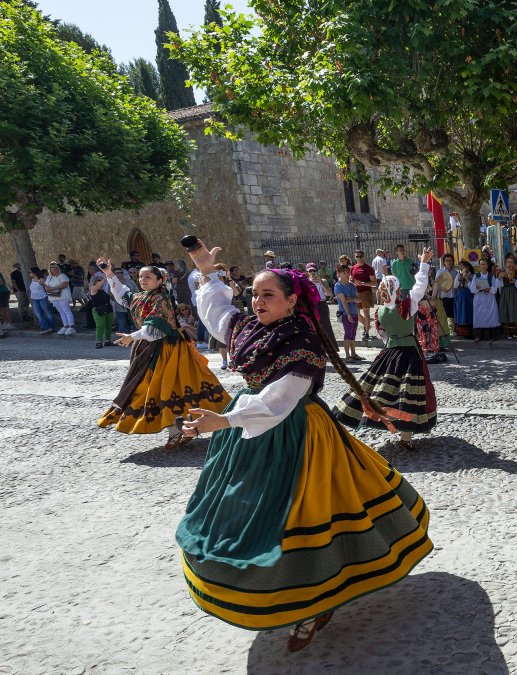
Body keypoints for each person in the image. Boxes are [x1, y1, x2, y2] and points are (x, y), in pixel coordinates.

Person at [177, 240, 432, 652]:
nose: (257, 301)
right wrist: (207, 274)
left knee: (300, 513)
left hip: (293, 432)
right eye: (255, 293)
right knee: (239, 510)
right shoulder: (250, 327)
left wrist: (224, 420)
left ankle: (314, 601)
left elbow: (280, 400)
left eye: (268, 295)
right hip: (247, 427)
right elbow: (218, 315)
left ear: (292, 301)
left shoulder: (303, 341)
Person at [94, 259, 230, 447]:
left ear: (159, 280)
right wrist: (109, 274)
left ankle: (205, 424)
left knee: (171, 388)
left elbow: (156, 328)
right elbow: (122, 294)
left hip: (171, 351)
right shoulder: (141, 297)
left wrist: (132, 337)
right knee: (154, 390)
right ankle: (180, 429)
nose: (143, 279)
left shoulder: (161, 299)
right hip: (149, 350)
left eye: (148, 277)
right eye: (140, 276)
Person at [336, 251, 439, 449]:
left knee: (380, 390)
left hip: (390, 353)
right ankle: (406, 438)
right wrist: (423, 264)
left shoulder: (380, 311)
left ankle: (357, 420)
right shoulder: (406, 306)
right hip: (409, 353)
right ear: (397, 290)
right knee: (409, 395)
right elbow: (419, 287)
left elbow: (382, 335)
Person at [332, 265, 362, 361]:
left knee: (353, 334)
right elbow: (344, 301)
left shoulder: (352, 285)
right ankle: (347, 356)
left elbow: (359, 299)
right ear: (339, 274)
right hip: (345, 313)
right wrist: (348, 313)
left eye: (347, 272)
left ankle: (353, 354)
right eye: (343, 273)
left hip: (354, 312)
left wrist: (352, 299)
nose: (346, 275)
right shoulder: (338, 286)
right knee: (348, 334)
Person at [305, 263, 336, 348]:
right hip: (312, 305)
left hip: (322, 304)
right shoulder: (306, 282)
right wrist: (310, 283)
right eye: (310, 271)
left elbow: (329, 293)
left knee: (326, 326)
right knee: (313, 327)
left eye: (314, 270)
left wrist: (321, 283)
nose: (312, 272)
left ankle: (330, 349)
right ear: (307, 272)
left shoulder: (323, 280)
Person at [350, 250, 377, 344]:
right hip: (356, 293)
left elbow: (374, 283)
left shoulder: (369, 268)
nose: (359, 258)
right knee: (356, 314)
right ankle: (367, 325)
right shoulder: (353, 268)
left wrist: (363, 283)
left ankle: (366, 332)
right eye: (357, 256)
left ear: (364, 256)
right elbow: (351, 280)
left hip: (366, 292)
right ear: (355, 257)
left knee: (366, 312)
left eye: (361, 256)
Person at [471, 262, 502, 341]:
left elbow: (495, 289)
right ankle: (478, 336)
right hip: (479, 299)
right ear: (479, 266)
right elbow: (472, 289)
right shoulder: (476, 276)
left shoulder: (492, 276)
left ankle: (491, 336)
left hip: (489, 299)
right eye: (481, 264)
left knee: (490, 315)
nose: (483, 266)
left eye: (485, 264)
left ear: (487, 266)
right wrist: (477, 288)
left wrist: (489, 289)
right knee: (479, 316)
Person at [45, 261, 75, 335]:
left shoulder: (62, 275)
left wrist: (52, 288)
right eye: (53, 269)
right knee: (61, 312)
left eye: (56, 268)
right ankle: (65, 326)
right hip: (54, 297)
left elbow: (64, 284)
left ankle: (71, 327)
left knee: (66, 310)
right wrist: (50, 288)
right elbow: (46, 287)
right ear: (50, 270)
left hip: (63, 296)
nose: (55, 270)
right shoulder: (49, 277)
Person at [498, 254, 517, 338]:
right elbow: (498, 284)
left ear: (514, 263)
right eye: (508, 262)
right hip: (505, 293)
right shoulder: (502, 272)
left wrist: (516, 280)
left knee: (515, 310)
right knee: (507, 311)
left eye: (512, 262)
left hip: (514, 292)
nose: (510, 264)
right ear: (505, 263)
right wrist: (499, 277)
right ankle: (508, 332)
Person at [433, 254, 457, 334]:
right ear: (444, 262)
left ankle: (452, 330)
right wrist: (443, 289)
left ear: (453, 262)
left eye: (450, 260)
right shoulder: (440, 271)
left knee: (452, 313)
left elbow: (457, 285)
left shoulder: (456, 272)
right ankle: (446, 331)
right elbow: (437, 283)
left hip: (453, 296)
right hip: (443, 296)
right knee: (444, 314)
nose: (448, 262)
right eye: (447, 260)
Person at [30, 269, 57, 334]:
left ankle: (52, 328)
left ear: (34, 272)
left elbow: (48, 287)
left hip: (43, 298)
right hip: (34, 299)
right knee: (38, 314)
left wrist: (42, 283)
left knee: (48, 313)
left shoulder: (42, 279)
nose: (29, 273)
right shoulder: (32, 280)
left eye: (30, 272)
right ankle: (45, 328)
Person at [453, 260, 475, 337]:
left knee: (468, 311)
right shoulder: (458, 275)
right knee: (460, 312)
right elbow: (455, 286)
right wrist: (460, 277)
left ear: (467, 267)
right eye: (460, 266)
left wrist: (466, 277)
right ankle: (461, 331)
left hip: (468, 296)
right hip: (459, 296)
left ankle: (469, 331)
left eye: (462, 266)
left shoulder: (472, 275)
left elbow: (472, 287)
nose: (461, 268)